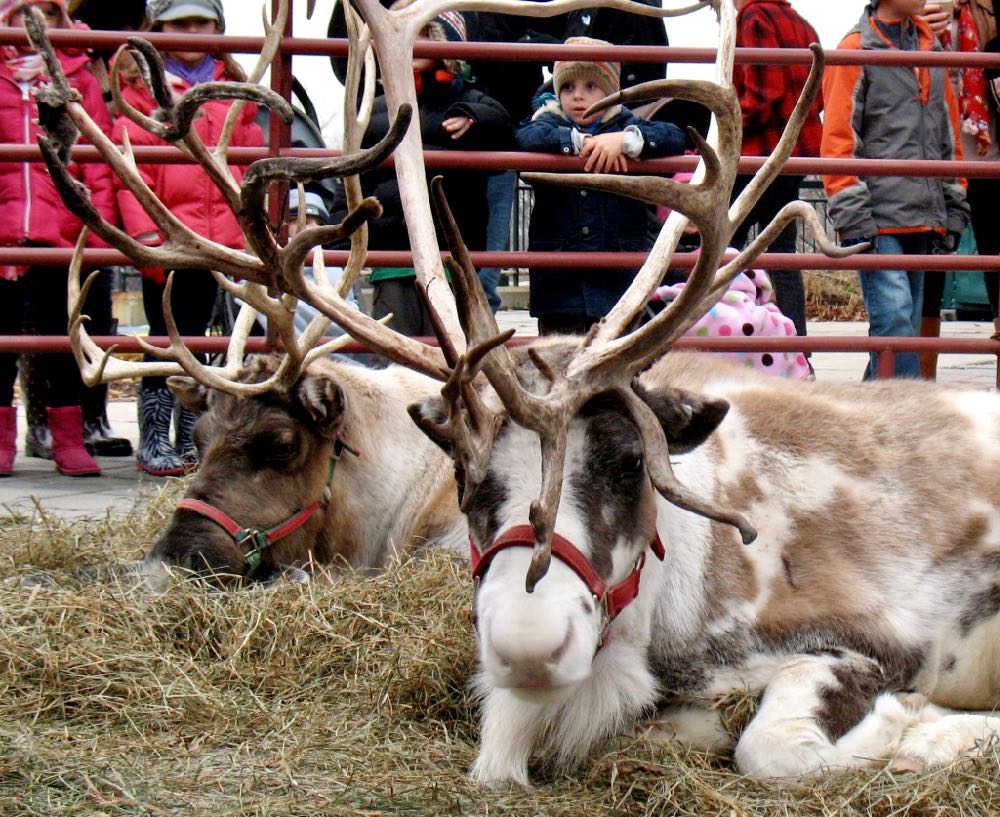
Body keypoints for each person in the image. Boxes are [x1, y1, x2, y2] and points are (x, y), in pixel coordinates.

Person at [112, 0, 264, 475]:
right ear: (158, 30)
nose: (191, 31)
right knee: (169, 340)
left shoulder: (234, 93)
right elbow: (128, 172)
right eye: (179, 23)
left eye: (201, 22)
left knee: (227, 343)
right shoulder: (139, 98)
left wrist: (254, 226)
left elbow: (252, 160)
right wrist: (145, 234)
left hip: (230, 240)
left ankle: (202, 435)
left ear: (217, 29)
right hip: (174, 239)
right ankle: (156, 438)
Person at [330, 11, 513, 338]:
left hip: (450, 262)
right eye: (404, 34)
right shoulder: (375, 110)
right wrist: (341, 232)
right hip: (394, 260)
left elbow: (504, 128)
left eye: (425, 35)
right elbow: (355, 180)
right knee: (395, 346)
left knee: (452, 348)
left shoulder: (467, 102)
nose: (413, 44)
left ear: (450, 49)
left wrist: (474, 117)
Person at [821, 0, 970, 380]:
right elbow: (838, 137)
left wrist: (953, 203)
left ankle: (870, 422)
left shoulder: (931, 50)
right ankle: (907, 419)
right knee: (896, 322)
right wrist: (852, 214)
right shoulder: (853, 51)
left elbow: (947, 132)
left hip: (922, 214)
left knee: (900, 327)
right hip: (877, 218)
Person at [0, 0, 115, 477]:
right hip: (3, 236)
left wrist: (98, 229)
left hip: (63, 236)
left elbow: (100, 158)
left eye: (47, 12)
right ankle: (2, 443)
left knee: (66, 339)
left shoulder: (78, 77)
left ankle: (70, 439)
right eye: (21, 12)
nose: (34, 23)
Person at [515, 37, 686, 335]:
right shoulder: (546, 124)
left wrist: (626, 141)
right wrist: (581, 143)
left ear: (611, 91)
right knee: (560, 359)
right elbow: (525, 138)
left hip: (618, 282)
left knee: (619, 353)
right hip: (561, 285)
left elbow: (673, 136)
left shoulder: (626, 125)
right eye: (568, 87)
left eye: (591, 87)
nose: (578, 97)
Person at [730, 0, 823, 354]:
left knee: (723, 249)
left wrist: (725, 121)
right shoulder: (802, 24)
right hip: (793, 156)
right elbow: (817, 96)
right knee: (783, 256)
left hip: (757, 156)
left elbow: (761, 95)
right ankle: (797, 351)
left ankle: (726, 338)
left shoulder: (754, 16)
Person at [918, 1, 1000, 378]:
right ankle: (919, 382)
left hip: (988, 160)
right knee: (927, 274)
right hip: (933, 160)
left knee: (996, 266)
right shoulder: (919, 8)